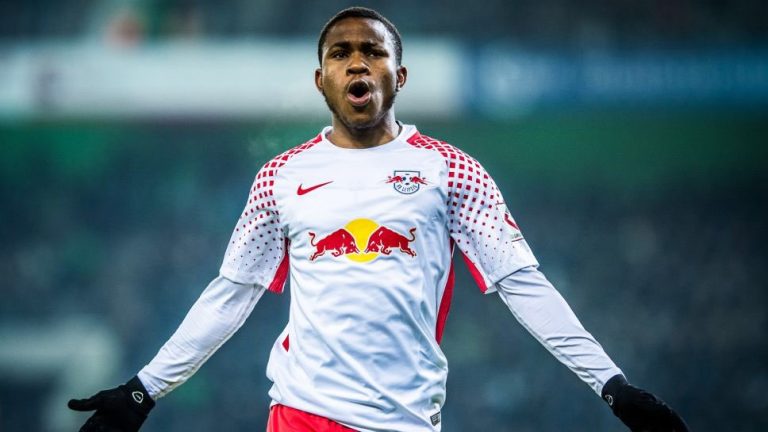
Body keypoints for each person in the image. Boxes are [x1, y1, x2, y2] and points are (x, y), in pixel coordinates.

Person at [68, 7, 689, 432]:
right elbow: (231, 295)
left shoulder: (452, 171)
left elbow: (524, 285)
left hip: (406, 419)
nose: (357, 63)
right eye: (341, 53)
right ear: (322, 80)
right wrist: (143, 391)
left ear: (400, 75)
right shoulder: (280, 177)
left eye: (373, 51)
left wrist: (614, 386)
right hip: (301, 414)